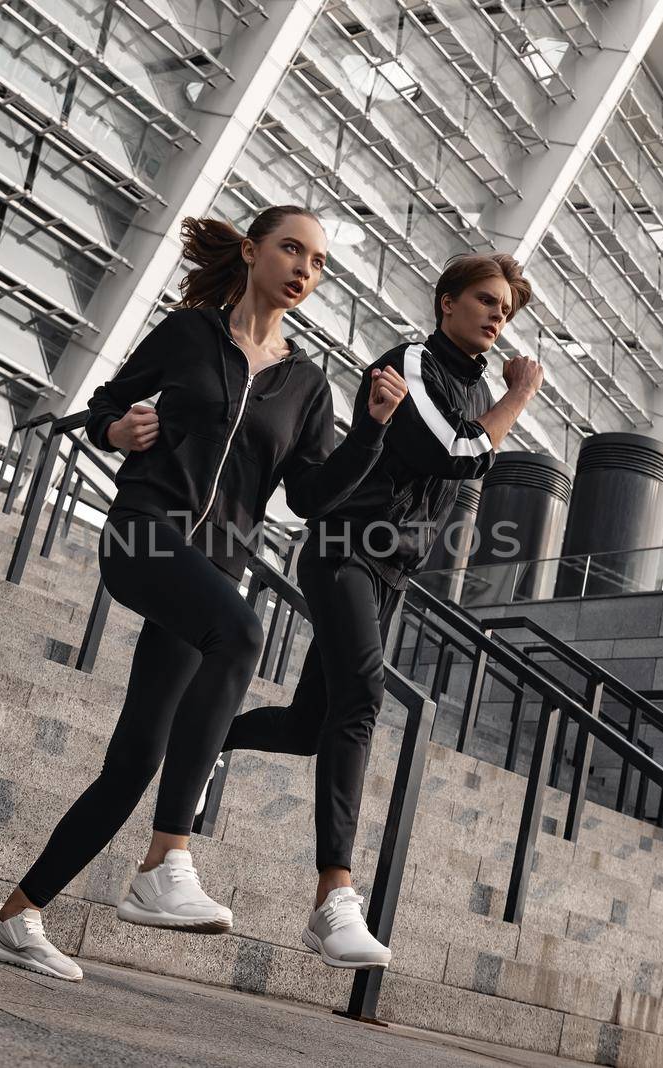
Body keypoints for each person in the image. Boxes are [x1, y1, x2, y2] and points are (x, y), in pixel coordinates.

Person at [0, 205, 410, 982]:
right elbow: (107, 400)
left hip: (214, 567)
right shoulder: (189, 334)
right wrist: (117, 431)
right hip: (144, 534)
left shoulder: (307, 384)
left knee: (136, 757)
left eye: (317, 262)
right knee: (243, 636)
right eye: (291, 249)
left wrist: (371, 430)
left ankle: (18, 915)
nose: (305, 269)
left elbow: (308, 496)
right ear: (251, 252)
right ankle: (167, 855)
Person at [221, 253, 543, 970]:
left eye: (506, 310)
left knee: (311, 727)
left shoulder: (472, 382)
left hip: (391, 570)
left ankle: (207, 734)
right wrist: (519, 398)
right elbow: (458, 455)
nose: (497, 316)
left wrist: (499, 398)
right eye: (486, 301)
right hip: (343, 551)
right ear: (446, 301)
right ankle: (334, 897)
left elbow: (462, 458)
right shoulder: (412, 363)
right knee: (362, 696)